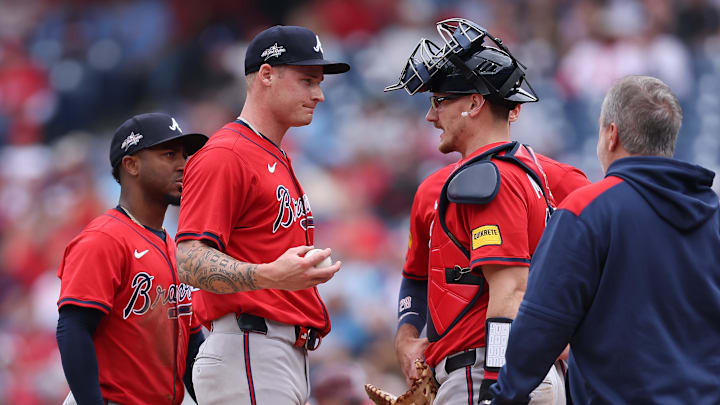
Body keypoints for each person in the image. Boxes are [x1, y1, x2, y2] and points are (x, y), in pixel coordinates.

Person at [385, 18, 589, 405]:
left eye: (439, 101)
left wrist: (497, 386)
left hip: (486, 371)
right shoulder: (520, 173)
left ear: (475, 104)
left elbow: (510, 294)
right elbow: (418, 277)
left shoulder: (489, 178)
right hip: (506, 371)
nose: (431, 116)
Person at [490, 75, 720, 404]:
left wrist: (504, 396)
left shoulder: (589, 210)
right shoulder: (713, 214)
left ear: (611, 135)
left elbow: (542, 323)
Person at [174, 25, 348, 405]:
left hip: (275, 354)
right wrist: (270, 275)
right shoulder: (227, 154)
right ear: (266, 75)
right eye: (307, 80)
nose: (318, 94)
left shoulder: (272, 154)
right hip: (249, 350)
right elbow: (187, 260)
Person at [56, 112, 208, 405]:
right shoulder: (104, 238)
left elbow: (191, 346)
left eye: (184, 155)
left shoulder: (171, 245)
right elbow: (73, 329)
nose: (183, 165)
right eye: (169, 154)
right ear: (132, 164)